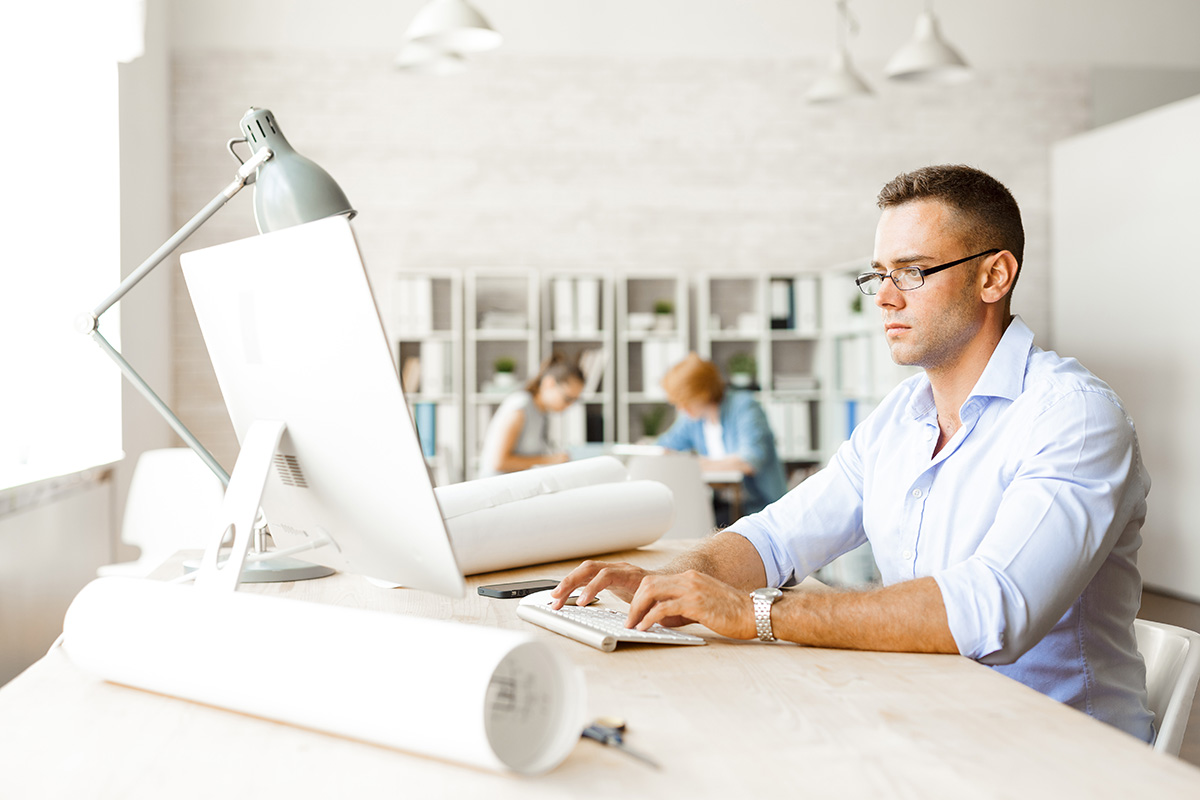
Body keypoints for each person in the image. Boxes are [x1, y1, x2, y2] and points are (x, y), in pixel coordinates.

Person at [552, 164, 1154, 742]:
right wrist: (677, 579)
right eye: (878, 274)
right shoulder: (898, 418)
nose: (885, 298)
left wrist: (756, 615)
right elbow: (775, 537)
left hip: (1055, 753)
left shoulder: (1073, 416)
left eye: (913, 271)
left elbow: (990, 612)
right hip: (928, 721)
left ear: (993, 276)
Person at [656, 353, 787, 519]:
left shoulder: (745, 407)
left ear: (704, 393)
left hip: (757, 509)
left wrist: (695, 465)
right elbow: (665, 445)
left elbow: (749, 461)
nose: (683, 409)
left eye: (686, 402)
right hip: (719, 508)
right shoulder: (693, 418)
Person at [477, 353, 584, 477]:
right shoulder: (520, 408)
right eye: (567, 398)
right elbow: (498, 463)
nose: (569, 405)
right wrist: (551, 460)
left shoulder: (540, 412)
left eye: (574, 400)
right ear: (549, 383)